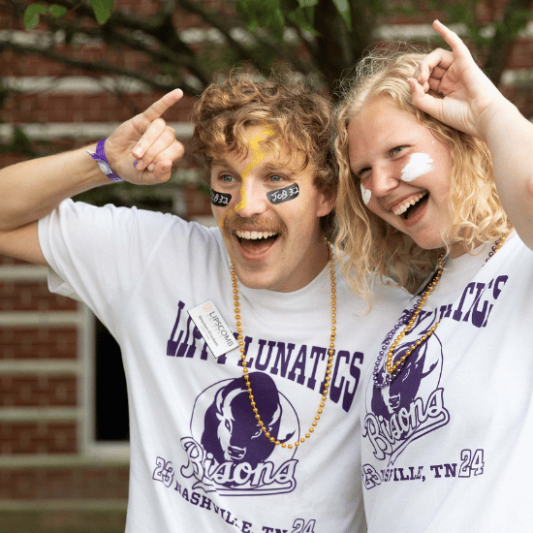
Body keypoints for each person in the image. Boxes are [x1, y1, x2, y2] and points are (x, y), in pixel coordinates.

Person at [0, 74, 408, 532]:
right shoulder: (157, 260)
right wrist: (102, 163)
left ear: (326, 194)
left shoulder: (390, 322)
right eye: (227, 178)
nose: (246, 205)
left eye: (275, 178)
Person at [333, 19, 533, 532]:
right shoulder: (417, 301)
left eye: (398, 152)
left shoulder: (523, 261)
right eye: (362, 172)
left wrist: (488, 111)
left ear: (459, 139)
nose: (379, 184)